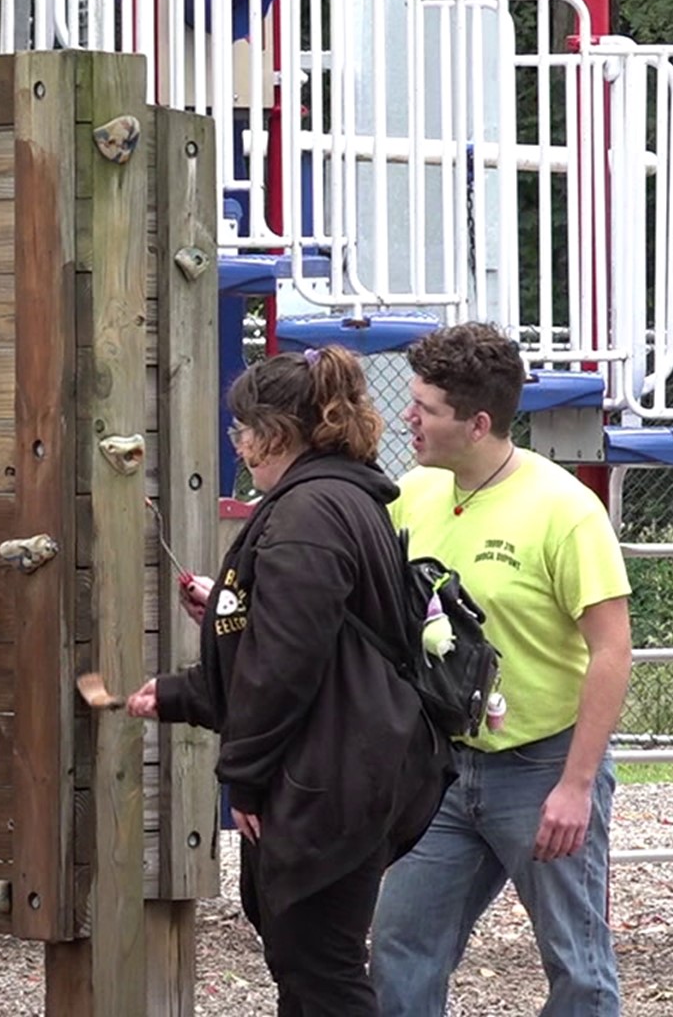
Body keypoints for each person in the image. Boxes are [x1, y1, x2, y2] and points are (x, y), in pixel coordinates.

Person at [125, 346, 452, 1016]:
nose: (238, 445)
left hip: (328, 777)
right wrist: (189, 685)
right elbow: (299, 640)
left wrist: (243, 774)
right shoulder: (341, 497)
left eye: (241, 429)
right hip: (349, 766)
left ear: (274, 432)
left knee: (320, 968)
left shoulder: (307, 515)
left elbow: (286, 663)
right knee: (305, 962)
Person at [370, 322, 632, 1016]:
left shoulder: (565, 511)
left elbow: (612, 650)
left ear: (478, 423)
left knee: (577, 965)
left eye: (423, 407)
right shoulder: (413, 494)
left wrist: (576, 786)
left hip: (543, 766)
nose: (408, 417)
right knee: (399, 948)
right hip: (445, 770)